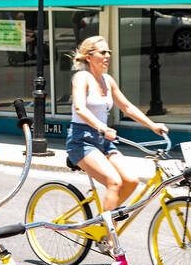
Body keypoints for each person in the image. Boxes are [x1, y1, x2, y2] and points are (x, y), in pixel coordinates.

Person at [66, 35, 167, 211]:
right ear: (89, 57)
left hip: (104, 140)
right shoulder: (82, 77)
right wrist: (102, 127)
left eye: (109, 52)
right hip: (82, 140)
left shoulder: (108, 80)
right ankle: (109, 234)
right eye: (102, 52)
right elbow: (80, 108)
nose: (107, 56)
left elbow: (127, 107)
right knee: (114, 182)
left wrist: (153, 125)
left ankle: (106, 218)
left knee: (131, 181)